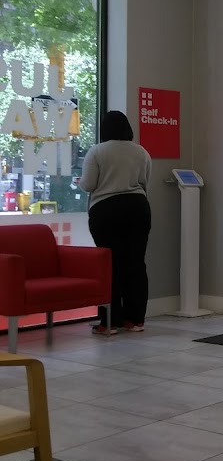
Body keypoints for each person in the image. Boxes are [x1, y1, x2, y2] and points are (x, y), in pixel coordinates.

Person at [79, 111, 152, 335]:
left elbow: (88, 184)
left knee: (109, 264)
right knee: (135, 263)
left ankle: (110, 322)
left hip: (106, 210)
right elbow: (144, 181)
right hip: (138, 207)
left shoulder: (97, 151)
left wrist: (80, 182)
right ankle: (135, 320)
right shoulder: (141, 152)